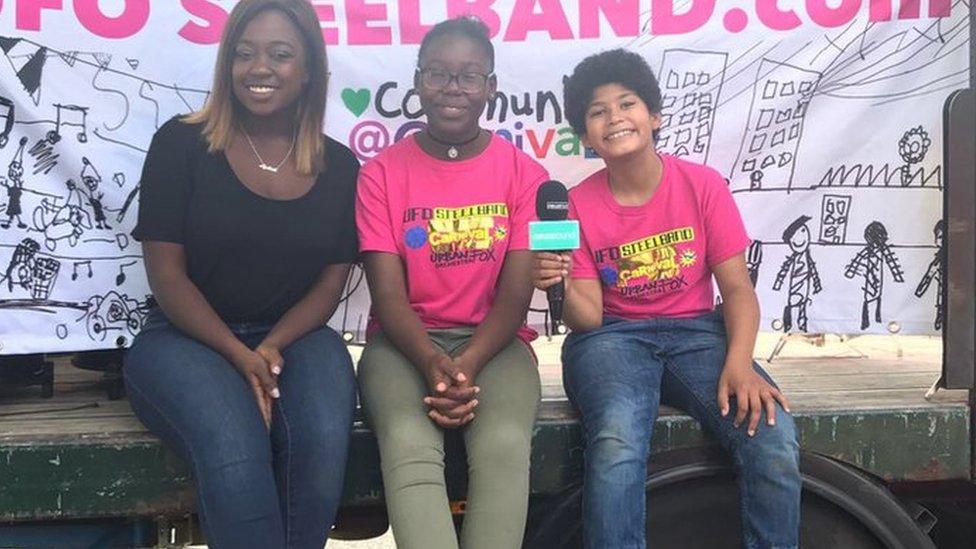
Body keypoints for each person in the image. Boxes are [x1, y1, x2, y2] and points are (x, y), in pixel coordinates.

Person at [533, 49, 802, 549]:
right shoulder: (575, 205)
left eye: (627, 103)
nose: (614, 117)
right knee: (617, 443)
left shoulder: (701, 185)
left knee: (773, 438)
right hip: (612, 339)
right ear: (586, 135)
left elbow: (738, 289)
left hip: (698, 333)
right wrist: (557, 283)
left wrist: (740, 363)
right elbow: (588, 318)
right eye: (597, 111)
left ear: (653, 116)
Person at [123, 1, 359, 547]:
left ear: (307, 72)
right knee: (235, 445)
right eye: (244, 53)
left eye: (280, 54)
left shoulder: (339, 165)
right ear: (227, 63)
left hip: (296, 337)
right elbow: (167, 276)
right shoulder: (181, 143)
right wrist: (241, 357)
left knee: (323, 439)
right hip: (185, 340)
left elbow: (330, 284)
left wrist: (270, 349)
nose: (260, 68)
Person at [355, 16, 547, 549]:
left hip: (497, 344)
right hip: (401, 345)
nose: (452, 89)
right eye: (438, 73)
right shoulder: (381, 173)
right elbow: (388, 296)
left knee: (505, 444)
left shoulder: (523, 174)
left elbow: (514, 298)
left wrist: (466, 364)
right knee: (408, 441)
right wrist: (434, 365)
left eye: (468, 76)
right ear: (418, 81)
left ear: (491, 87)